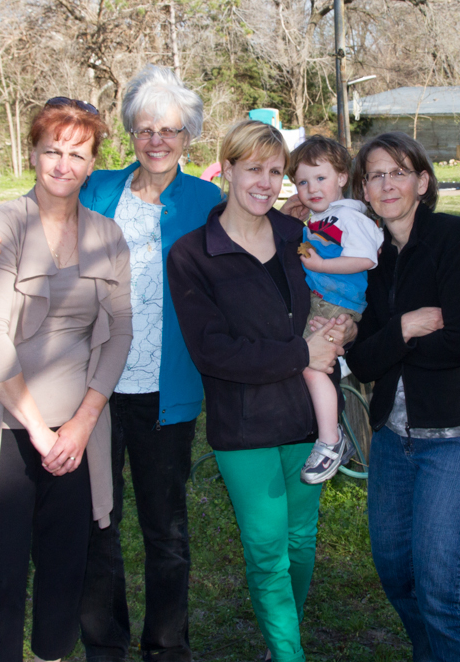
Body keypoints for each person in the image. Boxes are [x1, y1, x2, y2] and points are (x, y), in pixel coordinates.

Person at [0, 66, 220, 662]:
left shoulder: (206, 203)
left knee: (166, 529)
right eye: (145, 129)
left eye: (170, 130)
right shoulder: (100, 189)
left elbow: (252, 245)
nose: (157, 141)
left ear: (188, 136)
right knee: (97, 525)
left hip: (164, 390)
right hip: (85, 396)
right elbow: (31, 216)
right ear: (128, 134)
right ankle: (105, 643)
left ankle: (166, 646)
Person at [0, 98, 132, 662]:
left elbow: (119, 332)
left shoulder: (108, 236)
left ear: (93, 164)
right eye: (52, 151)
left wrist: (82, 423)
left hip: (77, 427)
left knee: (66, 567)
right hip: (2, 422)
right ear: (33, 155)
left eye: (77, 154)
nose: (63, 165)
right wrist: (41, 433)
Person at [167, 120, 356, 662]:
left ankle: (281, 646)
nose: (266, 182)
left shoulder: (300, 236)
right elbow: (213, 352)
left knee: (300, 542)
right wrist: (303, 354)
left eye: (276, 172)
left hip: (307, 418)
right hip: (244, 425)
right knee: (267, 549)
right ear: (226, 169)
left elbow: (340, 293)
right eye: (254, 169)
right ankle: (289, 654)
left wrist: (346, 328)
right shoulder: (193, 255)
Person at [343, 132, 460, 662]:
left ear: (422, 181)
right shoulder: (371, 256)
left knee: (441, 588)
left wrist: (387, 342)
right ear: (364, 189)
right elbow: (363, 361)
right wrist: (409, 328)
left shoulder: (453, 237)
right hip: (394, 437)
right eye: (375, 174)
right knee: (396, 572)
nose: (387, 183)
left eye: (399, 172)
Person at [289, 135, 384, 484]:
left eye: (320, 177)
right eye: (302, 181)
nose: (311, 188)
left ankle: (331, 440)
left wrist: (321, 265)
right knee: (302, 362)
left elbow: (367, 258)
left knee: (312, 367)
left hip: (338, 303)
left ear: (342, 177)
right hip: (320, 300)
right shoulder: (322, 216)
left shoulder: (349, 217)